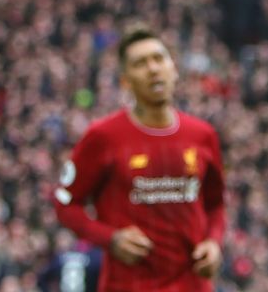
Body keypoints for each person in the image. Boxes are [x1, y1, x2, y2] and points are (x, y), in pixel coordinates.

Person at [54, 24, 226, 292]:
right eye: (140, 63)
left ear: (174, 68)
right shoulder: (103, 136)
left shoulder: (203, 135)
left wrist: (213, 242)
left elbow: (216, 204)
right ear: (125, 80)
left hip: (193, 284)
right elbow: (65, 204)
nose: (153, 68)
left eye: (159, 59)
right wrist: (110, 238)